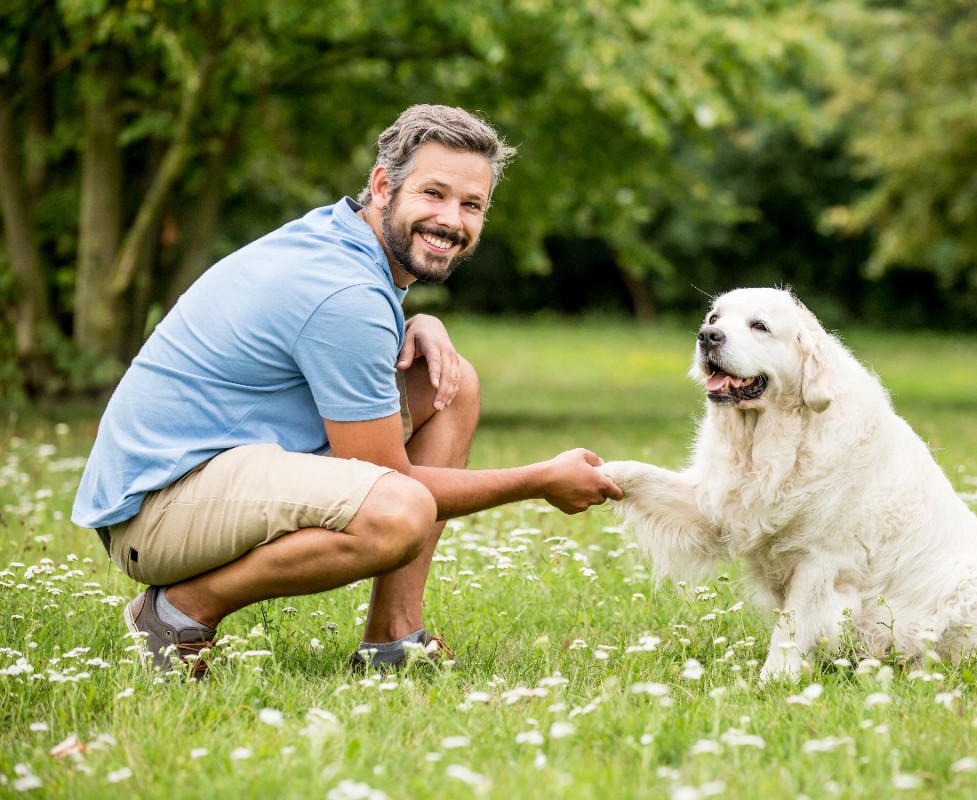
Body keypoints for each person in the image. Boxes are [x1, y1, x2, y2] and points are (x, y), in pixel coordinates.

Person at [71, 104, 623, 679]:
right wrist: (540, 480)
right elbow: (390, 480)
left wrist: (418, 323)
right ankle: (176, 615)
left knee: (449, 384)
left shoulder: (343, 240)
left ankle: (393, 640)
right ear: (384, 186)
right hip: (155, 510)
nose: (451, 219)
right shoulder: (346, 294)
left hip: (205, 471)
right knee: (398, 511)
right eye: (432, 193)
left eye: (471, 205)